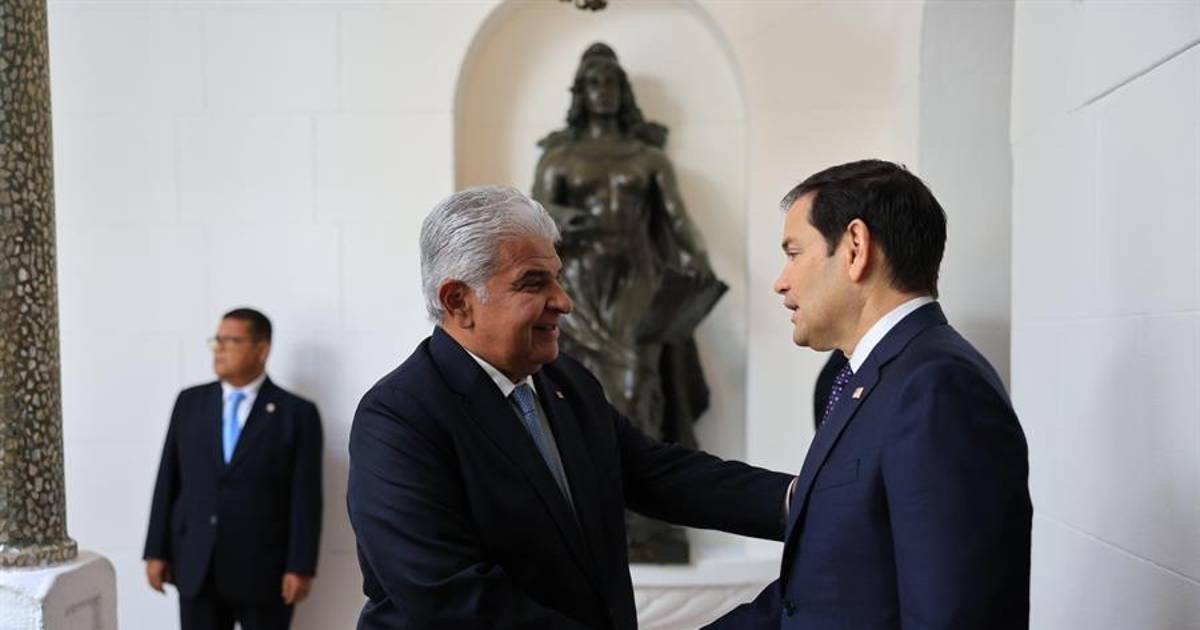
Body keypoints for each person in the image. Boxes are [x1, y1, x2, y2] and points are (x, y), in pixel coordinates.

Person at [346, 185, 793, 629]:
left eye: (557, 277)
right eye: (533, 282)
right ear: (459, 302)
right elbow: (450, 598)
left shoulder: (566, 382)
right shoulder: (398, 419)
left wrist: (801, 500)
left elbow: (659, 475)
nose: (564, 300)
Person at [708, 160, 1032, 629]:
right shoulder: (866, 379)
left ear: (856, 248)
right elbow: (821, 594)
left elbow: (954, 615)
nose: (781, 281)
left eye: (794, 253)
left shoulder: (938, 388)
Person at [532, 42, 722, 561]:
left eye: (611, 82)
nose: (604, 92)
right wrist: (563, 220)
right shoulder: (559, 157)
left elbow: (678, 219)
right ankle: (592, 507)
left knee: (639, 384)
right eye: (594, 83)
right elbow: (534, 218)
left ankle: (644, 513)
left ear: (623, 91)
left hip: (637, 279)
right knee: (578, 392)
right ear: (581, 92)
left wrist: (701, 260)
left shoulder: (649, 158)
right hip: (579, 284)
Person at [144, 308, 323, 630]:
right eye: (217, 340)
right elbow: (168, 479)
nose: (220, 349)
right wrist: (156, 551)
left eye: (232, 340)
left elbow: (306, 498)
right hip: (197, 563)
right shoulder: (190, 403)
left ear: (261, 349)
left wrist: (301, 566)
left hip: (264, 570)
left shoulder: (296, 414)